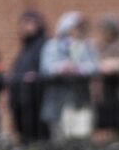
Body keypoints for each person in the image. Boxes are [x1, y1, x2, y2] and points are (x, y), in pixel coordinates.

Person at [40, 12, 99, 140]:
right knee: (61, 138)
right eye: (75, 27)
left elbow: (95, 67)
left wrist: (79, 69)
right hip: (58, 100)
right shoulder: (53, 46)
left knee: (82, 136)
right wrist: (62, 68)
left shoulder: (87, 46)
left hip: (80, 99)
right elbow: (46, 69)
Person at [9, 11, 50, 141]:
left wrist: (36, 76)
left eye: (29, 23)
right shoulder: (26, 47)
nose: (25, 27)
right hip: (23, 97)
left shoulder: (45, 44)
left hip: (38, 98)